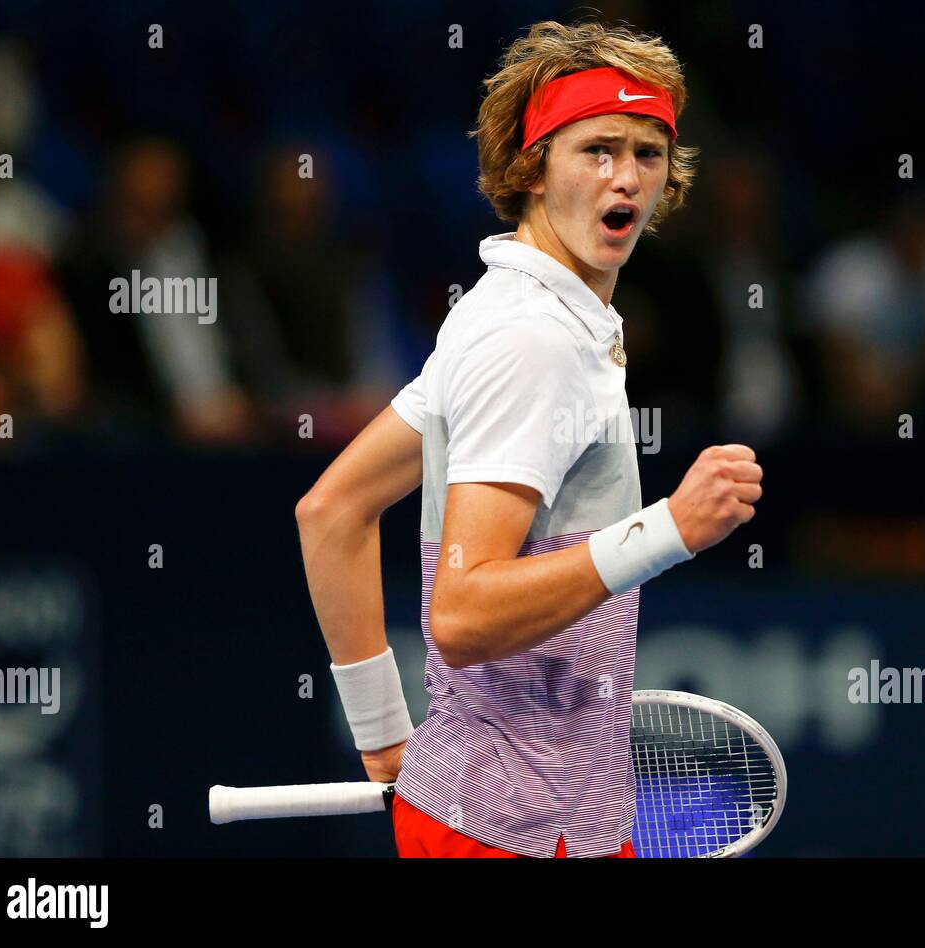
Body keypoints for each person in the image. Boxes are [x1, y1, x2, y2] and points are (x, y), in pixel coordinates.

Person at [295, 20, 762, 858]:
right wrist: (668, 530)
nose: (626, 176)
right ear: (532, 168)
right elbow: (464, 617)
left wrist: (381, 737)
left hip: (512, 816)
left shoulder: (498, 312)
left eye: (647, 152)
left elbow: (332, 510)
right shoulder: (531, 342)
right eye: (596, 149)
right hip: (518, 831)